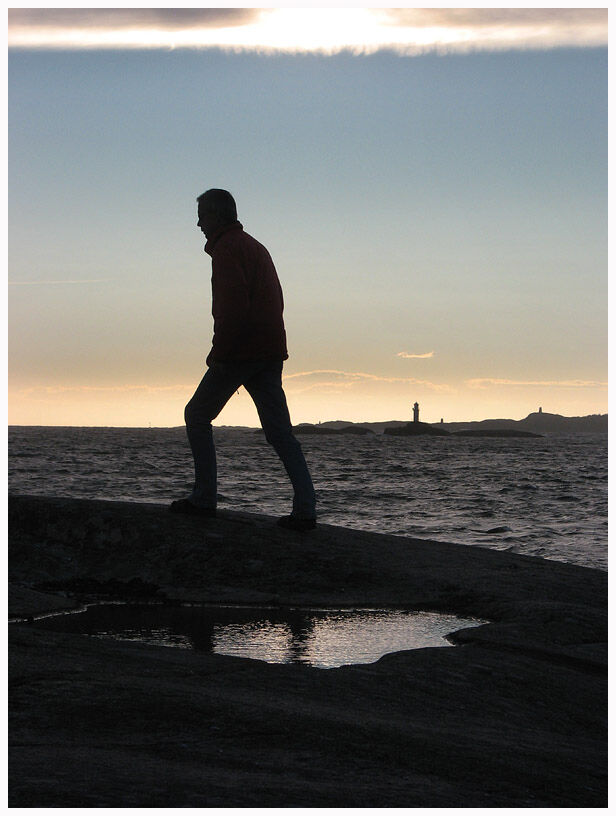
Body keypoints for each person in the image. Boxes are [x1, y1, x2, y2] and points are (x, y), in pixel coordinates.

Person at [170, 188, 317, 531]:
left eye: (202, 217)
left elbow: (232, 308)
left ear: (217, 216)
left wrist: (219, 353)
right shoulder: (255, 247)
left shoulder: (227, 250)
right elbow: (275, 300)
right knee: (280, 433)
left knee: (196, 414)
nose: (198, 224)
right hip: (270, 350)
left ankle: (204, 498)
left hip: (241, 351)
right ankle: (306, 508)